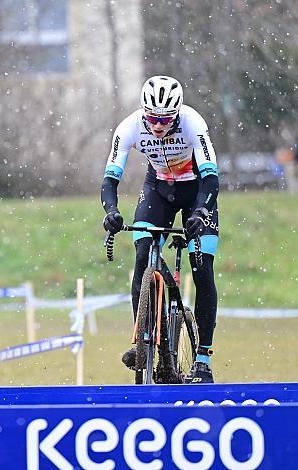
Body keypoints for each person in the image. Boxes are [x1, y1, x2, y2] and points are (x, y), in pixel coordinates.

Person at [101, 75, 219, 383]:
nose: (157, 125)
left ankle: (203, 358)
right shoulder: (128, 128)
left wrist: (202, 211)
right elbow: (109, 180)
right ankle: (143, 339)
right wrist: (111, 211)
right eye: (151, 117)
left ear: (177, 113)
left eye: (165, 119)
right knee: (143, 257)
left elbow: (211, 180)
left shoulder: (194, 124)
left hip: (195, 191)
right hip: (158, 190)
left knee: (202, 267)